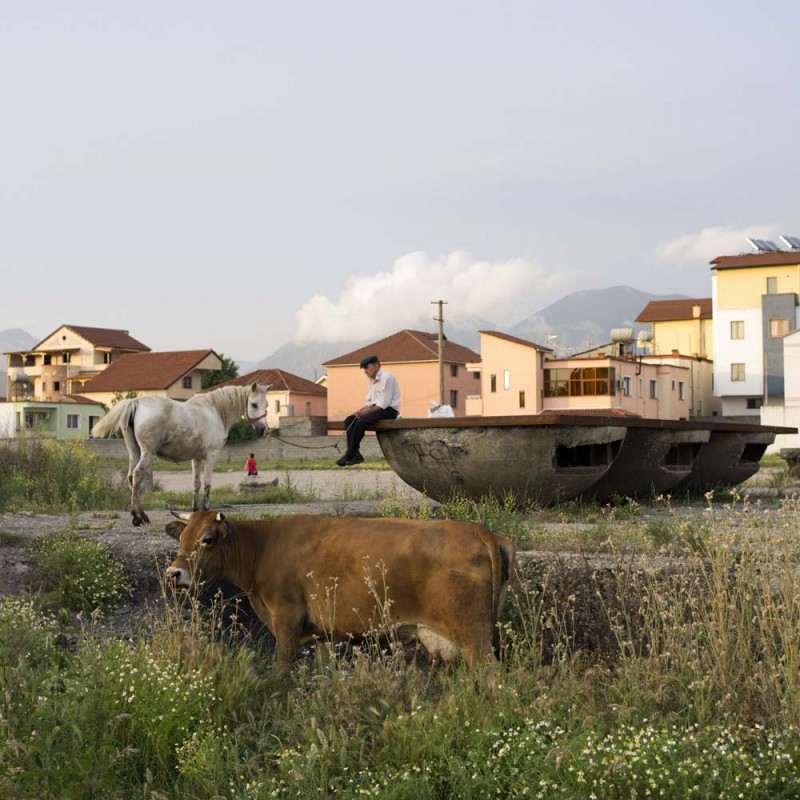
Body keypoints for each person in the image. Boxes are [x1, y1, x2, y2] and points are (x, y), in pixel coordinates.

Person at [337, 355, 401, 466]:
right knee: (350, 420)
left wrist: (366, 412)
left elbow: (383, 404)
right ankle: (355, 454)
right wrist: (360, 411)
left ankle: (349, 454)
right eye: (364, 369)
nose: (365, 371)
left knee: (362, 421)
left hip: (389, 410)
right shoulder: (372, 380)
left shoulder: (387, 377)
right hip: (376, 409)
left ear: (376, 366)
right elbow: (370, 402)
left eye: (367, 368)